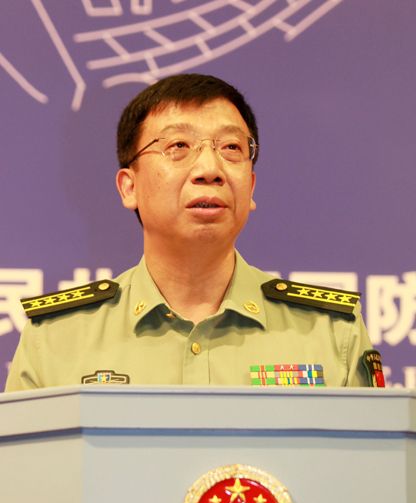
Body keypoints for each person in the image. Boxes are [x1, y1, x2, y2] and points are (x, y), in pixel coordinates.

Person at [5, 73, 383, 391]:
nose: (209, 169)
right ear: (129, 187)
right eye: (178, 146)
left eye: (231, 147)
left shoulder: (329, 333)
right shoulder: (56, 339)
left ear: (251, 187)